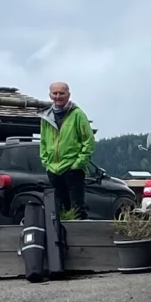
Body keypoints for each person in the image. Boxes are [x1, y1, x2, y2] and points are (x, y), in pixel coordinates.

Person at [40, 81, 94, 220]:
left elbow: (88, 141)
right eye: (55, 93)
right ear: (50, 94)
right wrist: (46, 162)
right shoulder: (46, 117)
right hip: (53, 169)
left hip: (73, 169)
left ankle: (80, 239)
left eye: (61, 93)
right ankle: (59, 240)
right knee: (58, 210)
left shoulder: (78, 114)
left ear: (68, 95)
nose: (58, 96)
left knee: (77, 209)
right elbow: (43, 142)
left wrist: (78, 164)